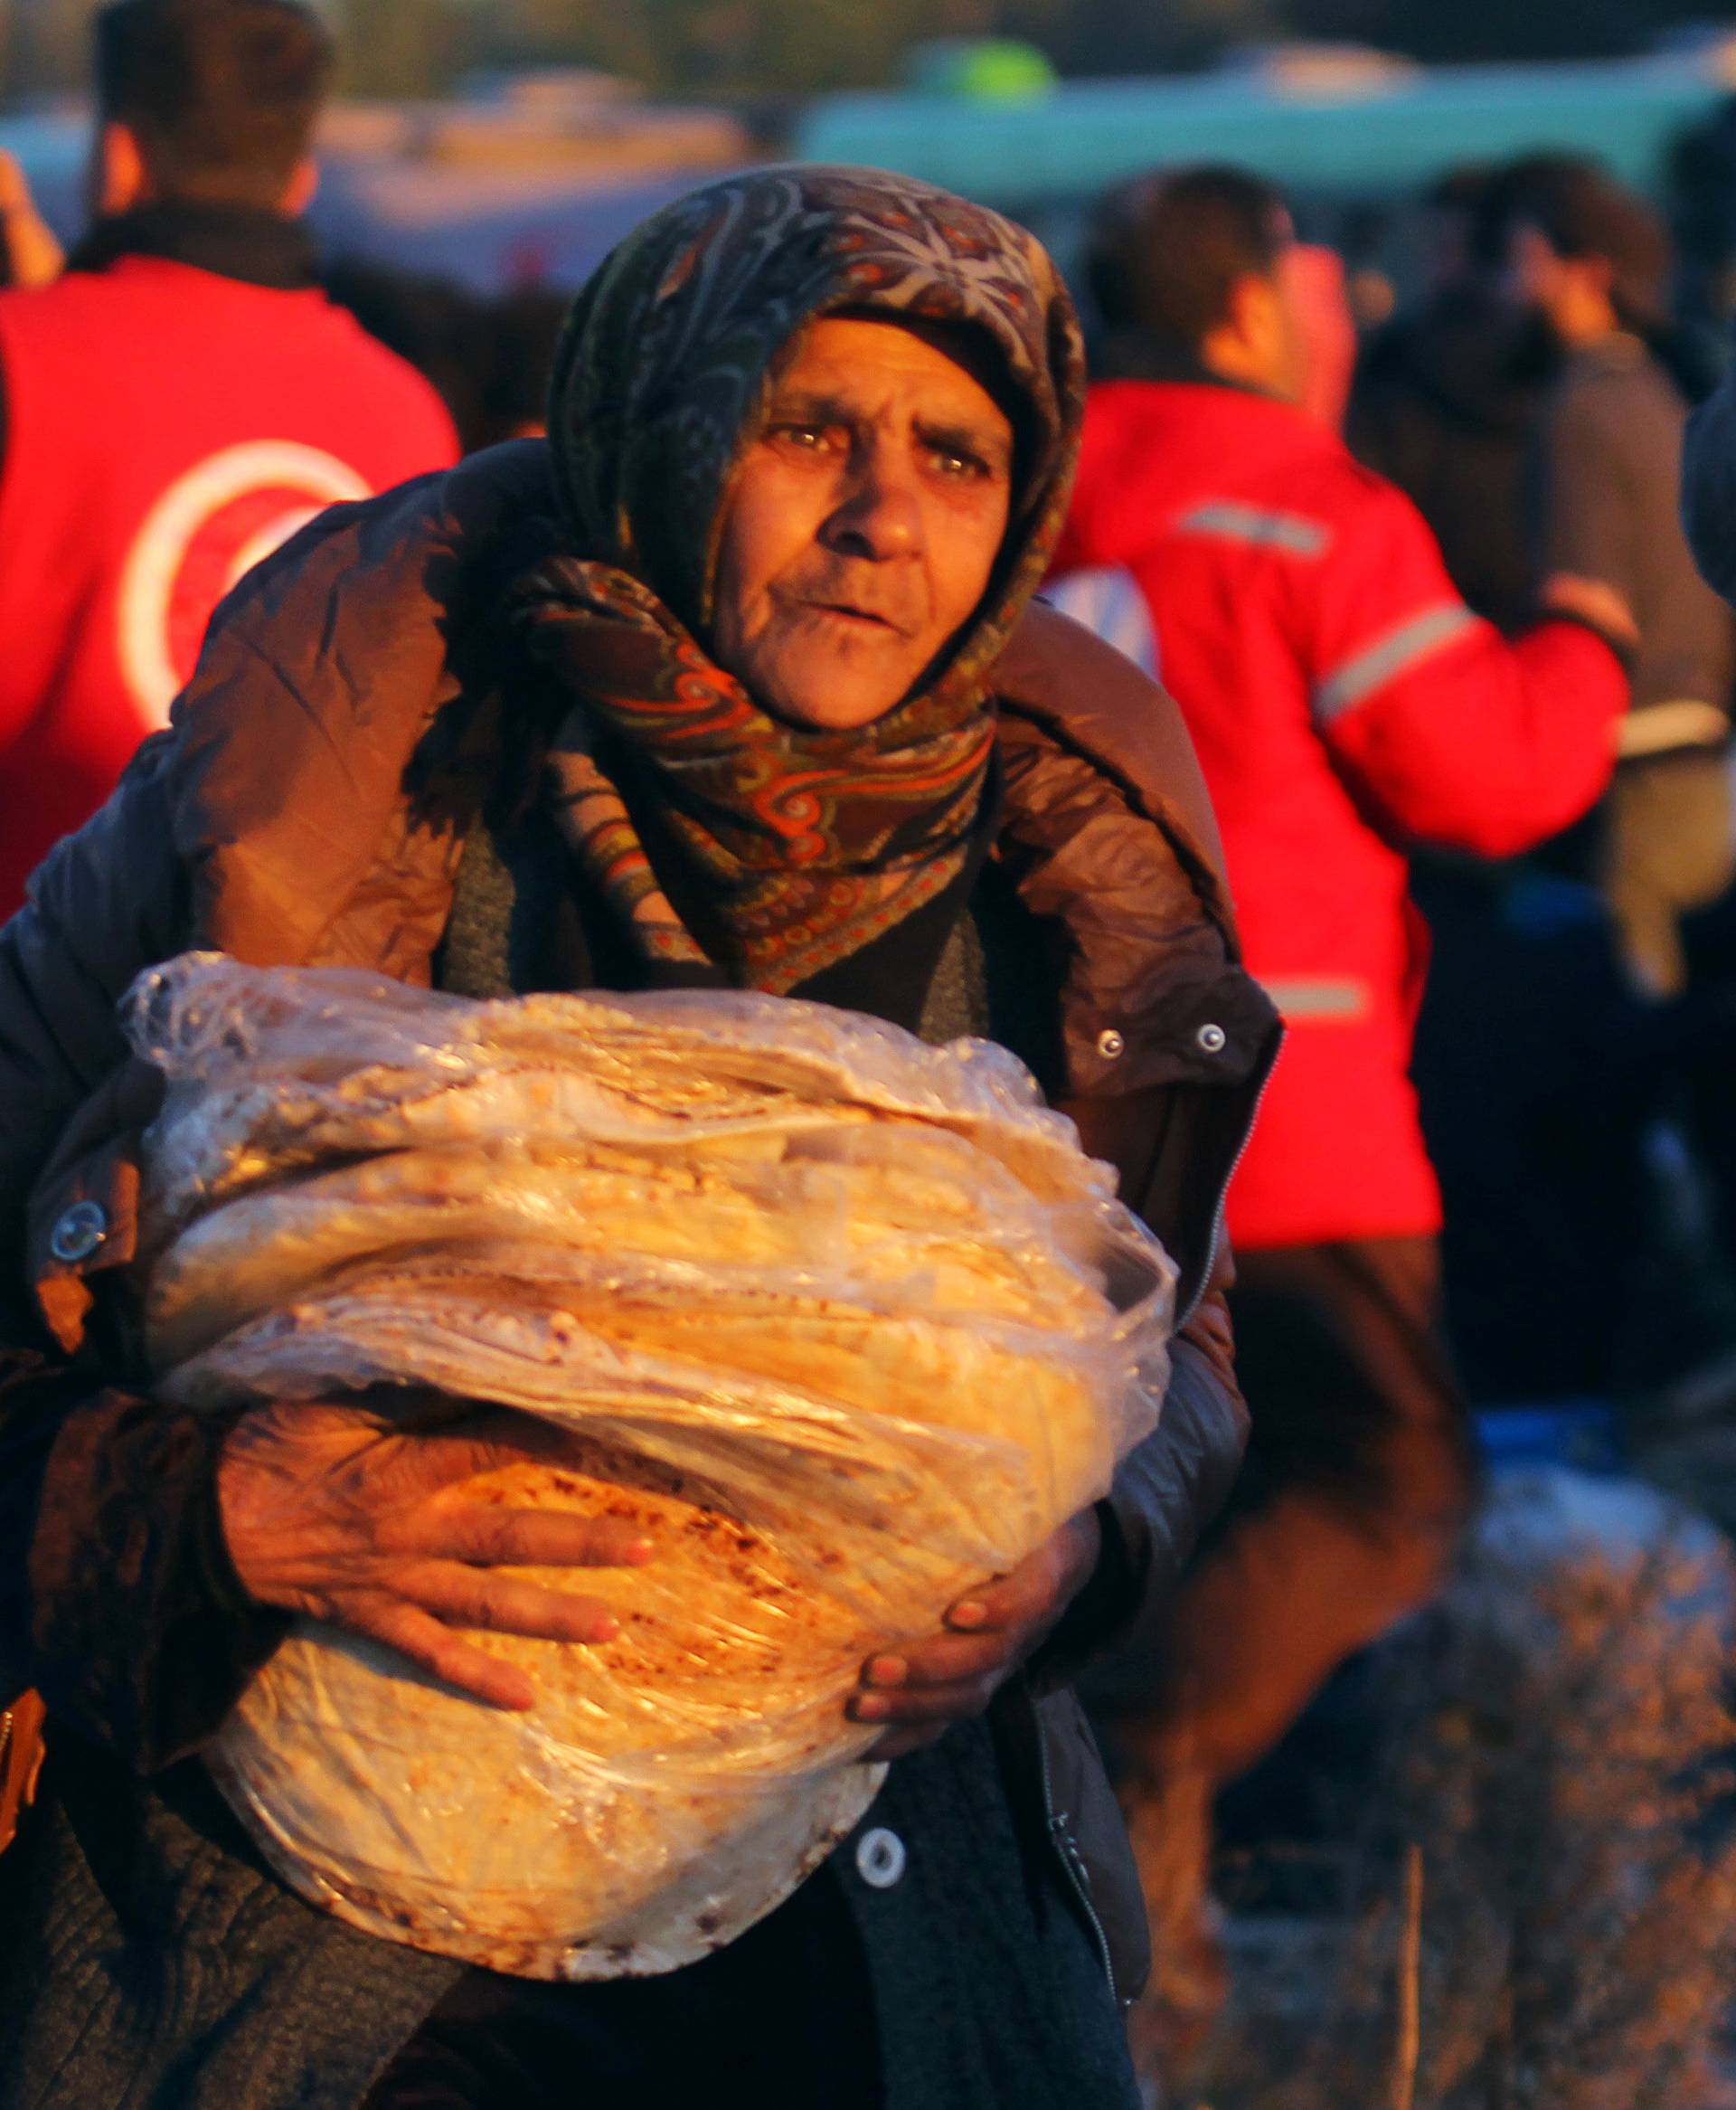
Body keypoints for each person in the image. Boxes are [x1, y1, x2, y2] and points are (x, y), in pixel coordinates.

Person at [0, 166, 1279, 2110]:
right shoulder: (323, 792)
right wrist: (203, 1515)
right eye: (808, 428)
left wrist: (1086, 1546)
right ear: (666, 417)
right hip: (343, 1972)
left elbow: (1173, 1339)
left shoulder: (1068, 875)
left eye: (957, 453)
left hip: (886, 1961)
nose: (881, 517)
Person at [1046, 163, 1632, 2076]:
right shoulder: (1299, 500)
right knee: (1392, 1480)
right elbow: (1491, 775)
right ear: (1247, 307)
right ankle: (1124, 1739)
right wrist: (1593, 632)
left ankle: (1151, 1968)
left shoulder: (1018, 488)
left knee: (1134, 1506)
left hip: (1041, 1118)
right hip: (1284, 1117)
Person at [0, 0, 459, 922]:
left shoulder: (21, 360)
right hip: (285, 1033)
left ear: (121, 158)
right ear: (300, 180)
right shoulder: (413, 420)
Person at [1486, 156, 1736, 1002]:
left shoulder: (1581, 407)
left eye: (1526, 262)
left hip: (1635, 771)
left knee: (1641, 1045)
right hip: (1704, 757)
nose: (1511, 288)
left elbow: (1584, 603)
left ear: (1586, 272)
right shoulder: (1662, 392)